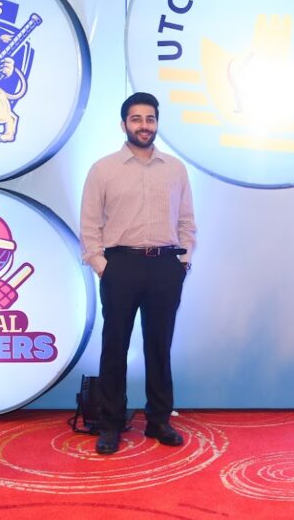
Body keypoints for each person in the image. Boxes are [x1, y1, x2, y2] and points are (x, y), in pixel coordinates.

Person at [80, 92, 196, 455]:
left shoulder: (175, 169)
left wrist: (183, 262)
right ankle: (111, 423)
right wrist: (102, 266)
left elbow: (186, 221)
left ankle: (159, 420)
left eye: (150, 119)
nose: (144, 125)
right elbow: (90, 225)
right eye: (136, 119)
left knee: (159, 346)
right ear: (124, 124)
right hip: (121, 266)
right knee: (114, 346)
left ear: (156, 123)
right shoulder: (103, 169)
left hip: (165, 266)